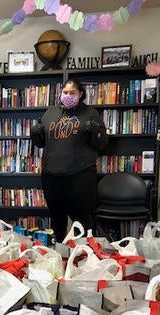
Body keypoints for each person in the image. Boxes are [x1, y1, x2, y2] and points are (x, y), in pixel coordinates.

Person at [30, 77, 108, 242]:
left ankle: (84, 254)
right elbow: (41, 143)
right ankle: (60, 252)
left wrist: (95, 131)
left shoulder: (90, 113)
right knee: (57, 218)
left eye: (72, 92)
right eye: (65, 92)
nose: (68, 95)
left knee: (83, 219)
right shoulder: (51, 112)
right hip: (52, 177)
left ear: (80, 94)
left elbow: (101, 145)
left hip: (80, 175)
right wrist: (35, 134)